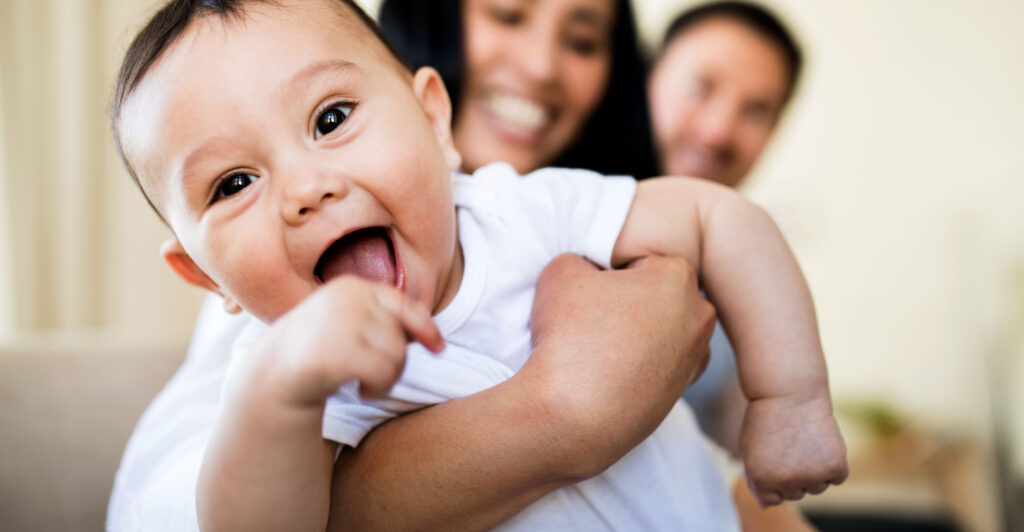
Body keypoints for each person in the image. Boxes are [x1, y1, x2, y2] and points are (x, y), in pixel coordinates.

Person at [110, 0, 848, 530]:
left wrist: (790, 400)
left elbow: (719, 215)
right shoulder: (291, 368)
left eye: (330, 120)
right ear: (206, 277)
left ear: (432, 117)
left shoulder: (529, 208)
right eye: (233, 183)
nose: (306, 188)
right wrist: (278, 392)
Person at [648, 4, 813, 528]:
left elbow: (747, 464)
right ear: (646, 78)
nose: (719, 130)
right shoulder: (565, 214)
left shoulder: (745, 269)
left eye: (756, 109)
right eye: (701, 87)